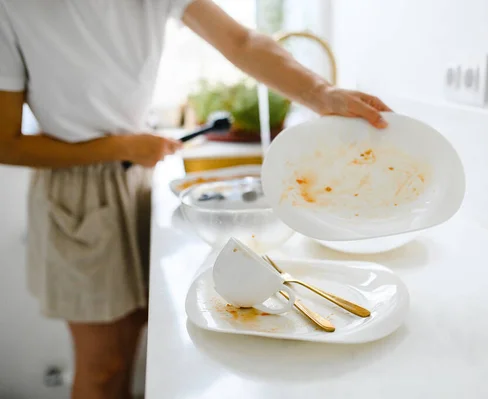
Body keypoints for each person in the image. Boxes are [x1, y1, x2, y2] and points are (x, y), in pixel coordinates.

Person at [0, 1, 392, 398]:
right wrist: (120, 146)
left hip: (138, 179)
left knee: (138, 343)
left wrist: (322, 94)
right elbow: (5, 143)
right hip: (79, 191)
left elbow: (240, 41)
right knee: (103, 365)